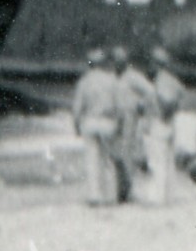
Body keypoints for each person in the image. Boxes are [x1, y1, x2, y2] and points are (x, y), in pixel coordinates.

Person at [71, 46, 121, 207]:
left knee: (91, 160)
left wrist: (76, 125)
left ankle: (94, 195)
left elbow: (77, 107)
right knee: (108, 160)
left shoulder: (84, 82)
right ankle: (110, 195)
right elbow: (119, 105)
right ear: (103, 63)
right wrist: (119, 124)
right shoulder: (112, 80)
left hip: (90, 121)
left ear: (90, 64)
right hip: (107, 122)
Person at [114, 47, 160, 204]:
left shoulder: (133, 77)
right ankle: (121, 188)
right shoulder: (114, 77)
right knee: (117, 153)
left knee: (127, 152)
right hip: (116, 117)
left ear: (126, 62)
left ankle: (127, 190)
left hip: (129, 116)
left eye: (120, 61)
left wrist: (141, 105)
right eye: (115, 61)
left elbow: (150, 91)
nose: (117, 64)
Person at [145, 47, 185, 200]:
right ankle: (169, 195)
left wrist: (163, 114)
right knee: (168, 162)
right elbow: (181, 94)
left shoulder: (160, 80)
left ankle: (157, 196)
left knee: (157, 161)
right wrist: (173, 110)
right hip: (171, 123)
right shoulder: (173, 79)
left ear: (156, 63)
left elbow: (164, 100)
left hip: (159, 122)